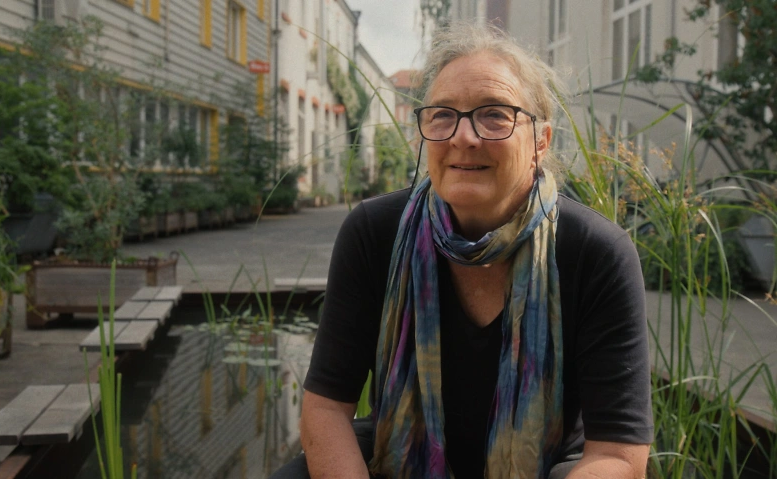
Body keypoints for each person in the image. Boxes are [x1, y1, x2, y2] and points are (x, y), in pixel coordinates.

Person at [274, 21, 653, 478]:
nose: (463, 137)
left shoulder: (596, 252)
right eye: (442, 115)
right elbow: (326, 409)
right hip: (400, 456)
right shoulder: (374, 232)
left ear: (540, 141)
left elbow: (617, 455)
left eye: (494, 114)